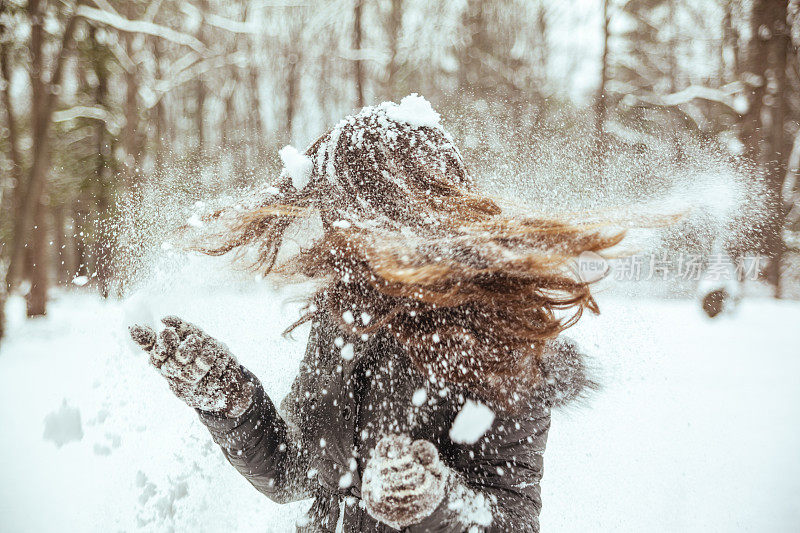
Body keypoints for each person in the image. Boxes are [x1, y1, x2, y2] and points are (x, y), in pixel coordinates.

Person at [129, 95, 622, 532]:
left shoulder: (502, 342)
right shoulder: (345, 317)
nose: (335, 236)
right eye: (332, 215)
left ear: (404, 212)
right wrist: (231, 401)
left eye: (347, 216)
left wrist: (433, 502)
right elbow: (296, 471)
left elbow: (511, 519)